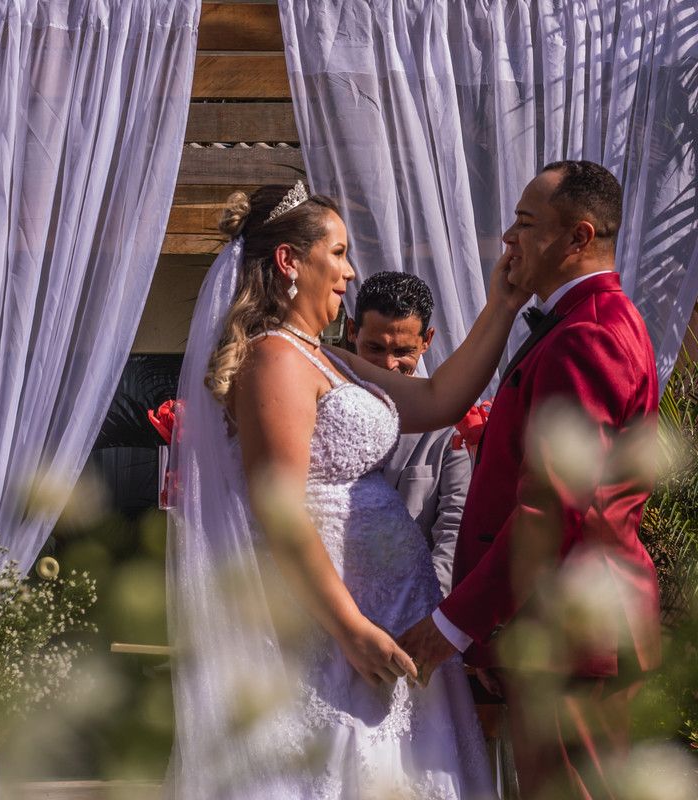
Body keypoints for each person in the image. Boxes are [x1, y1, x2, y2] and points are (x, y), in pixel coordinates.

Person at [166, 180, 528, 799]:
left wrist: (503, 302)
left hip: (391, 607)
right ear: (290, 261)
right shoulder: (275, 360)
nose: (349, 271)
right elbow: (279, 511)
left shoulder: (323, 355)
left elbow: (440, 398)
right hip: (339, 625)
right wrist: (348, 627)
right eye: (335, 253)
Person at [395, 161, 661, 798]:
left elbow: (554, 506)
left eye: (525, 224)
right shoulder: (579, 322)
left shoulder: (590, 333)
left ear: (578, 238)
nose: (508, 240)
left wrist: (455, 627)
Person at [347, 272, 470, 596]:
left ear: (427, 340)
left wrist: (424, 619)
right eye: (374, 348)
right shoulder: (323, 411)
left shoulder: (447, 427)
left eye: (403, 351)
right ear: (350, 332)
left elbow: (454, 533)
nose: (388, 365)